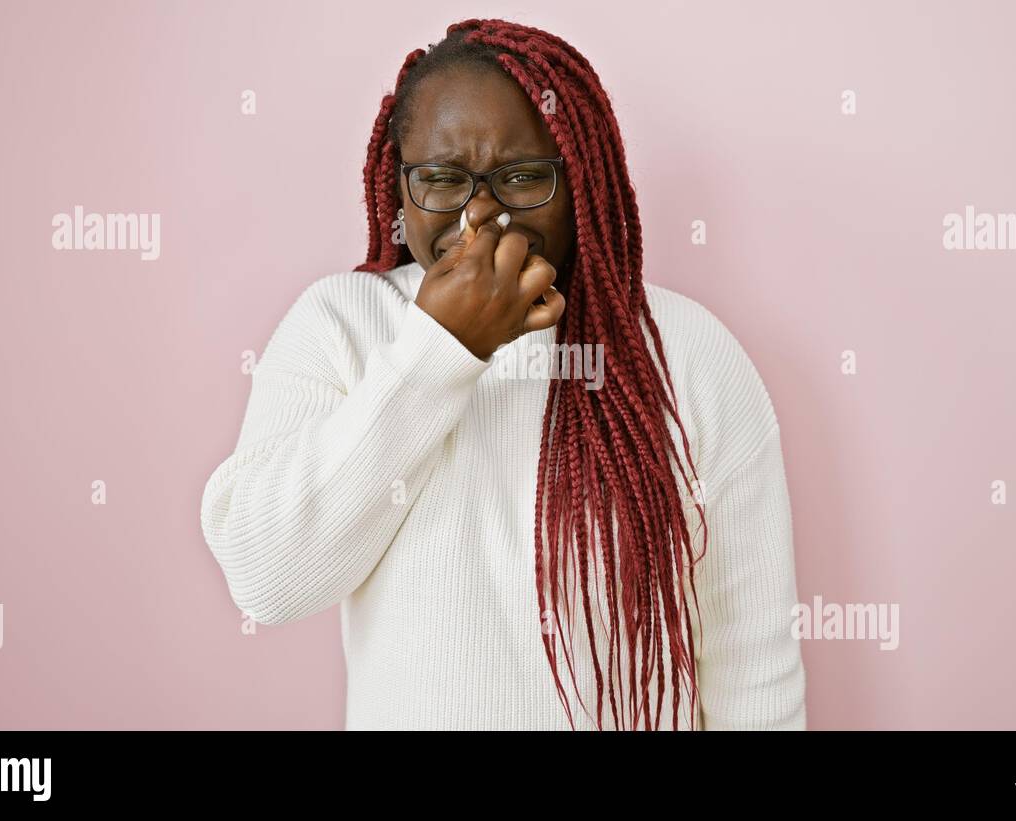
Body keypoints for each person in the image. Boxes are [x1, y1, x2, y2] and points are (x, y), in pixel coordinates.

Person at [200, 18, 806, 731]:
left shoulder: (689, 353)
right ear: (399, 187)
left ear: (579, 177)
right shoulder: (341, 326)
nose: (480, 212)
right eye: (442, 179)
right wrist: (441, 348)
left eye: (522, 177)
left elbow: (753, 667)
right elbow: (266, 578)